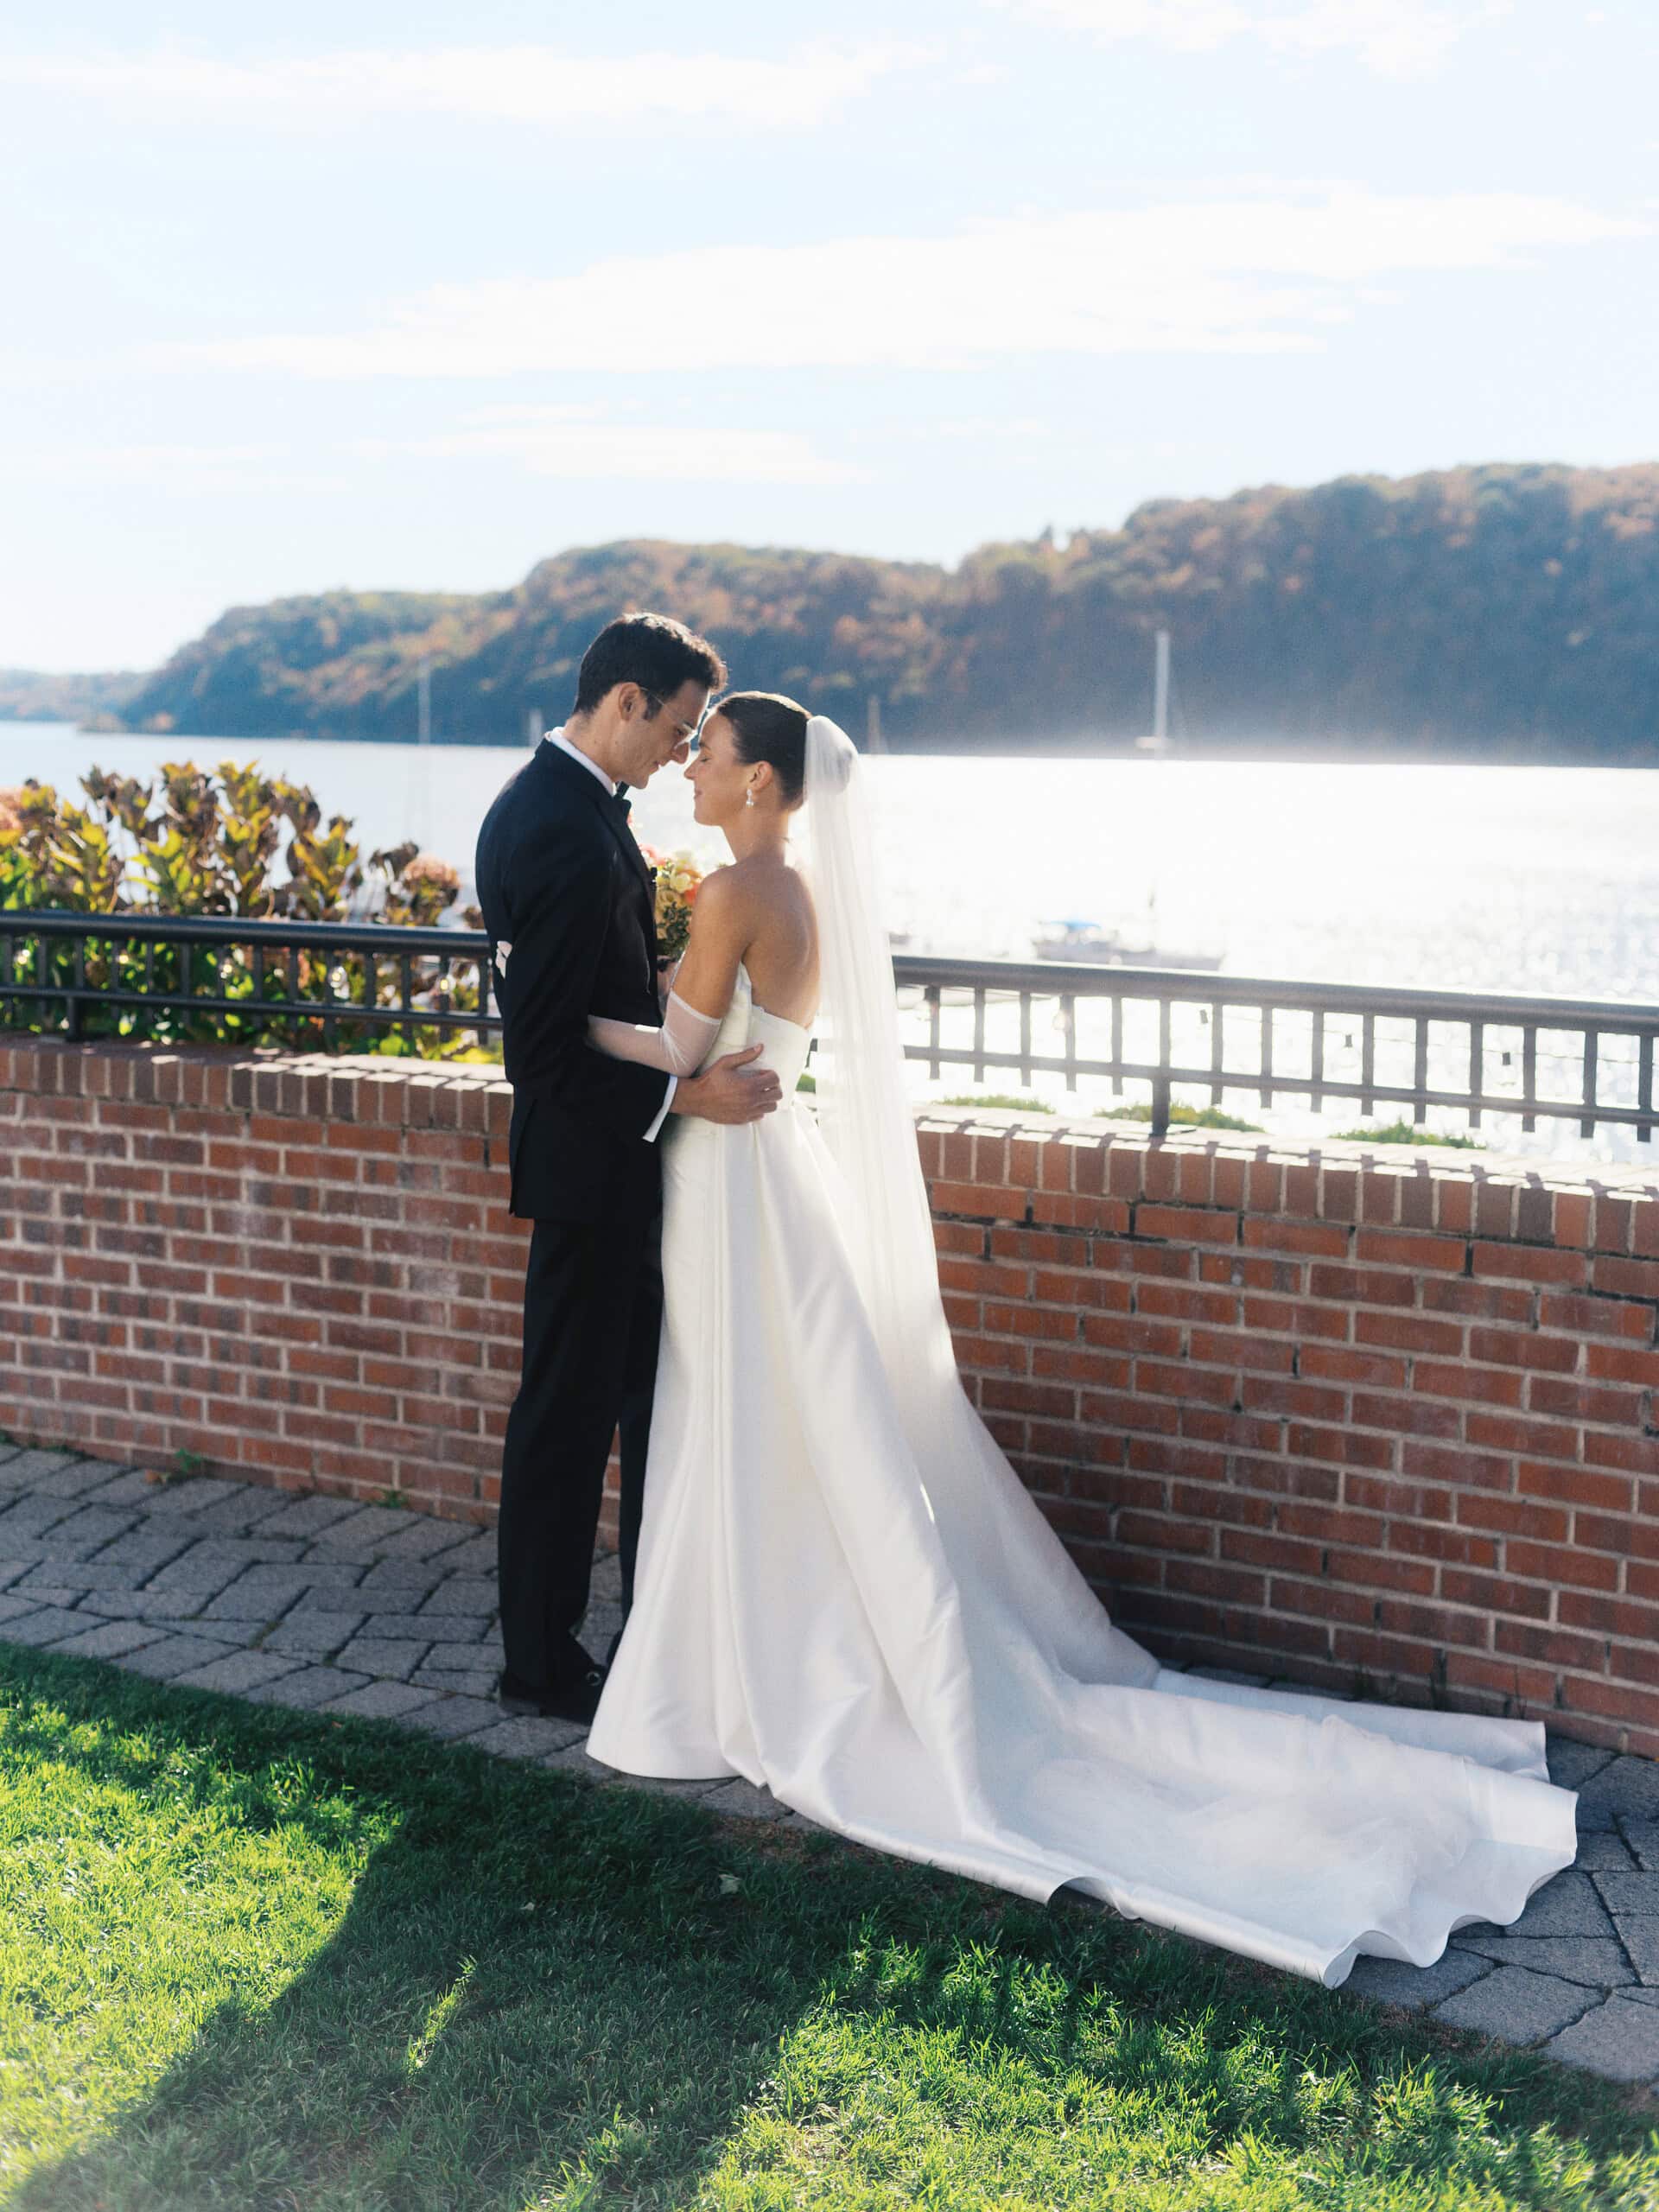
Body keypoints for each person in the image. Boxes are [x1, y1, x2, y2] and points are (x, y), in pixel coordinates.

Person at [582, 691, 1579, 1987]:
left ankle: (737, 1663)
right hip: (778, 1165)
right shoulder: (802, 890)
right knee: (763, 1410)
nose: (690, 773)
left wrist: (559, 1024)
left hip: (734, 1178)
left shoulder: (733, 893)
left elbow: (679, 1046)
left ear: (761, 780)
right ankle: (743, 1645)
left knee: (737, 1407)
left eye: (708, 757)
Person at [474, 615, 782, 1726]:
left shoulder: (568, 806)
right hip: (588, 1170)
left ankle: (643, 1637)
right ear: (625, 702)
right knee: (566, 1418)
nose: (680, 751)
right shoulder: (558, 825)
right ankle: (539, 1666)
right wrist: (685, 1097)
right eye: (679, 727)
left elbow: (595, 985)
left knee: (628, 1407)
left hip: (609, 1165)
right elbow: (542, 1053)